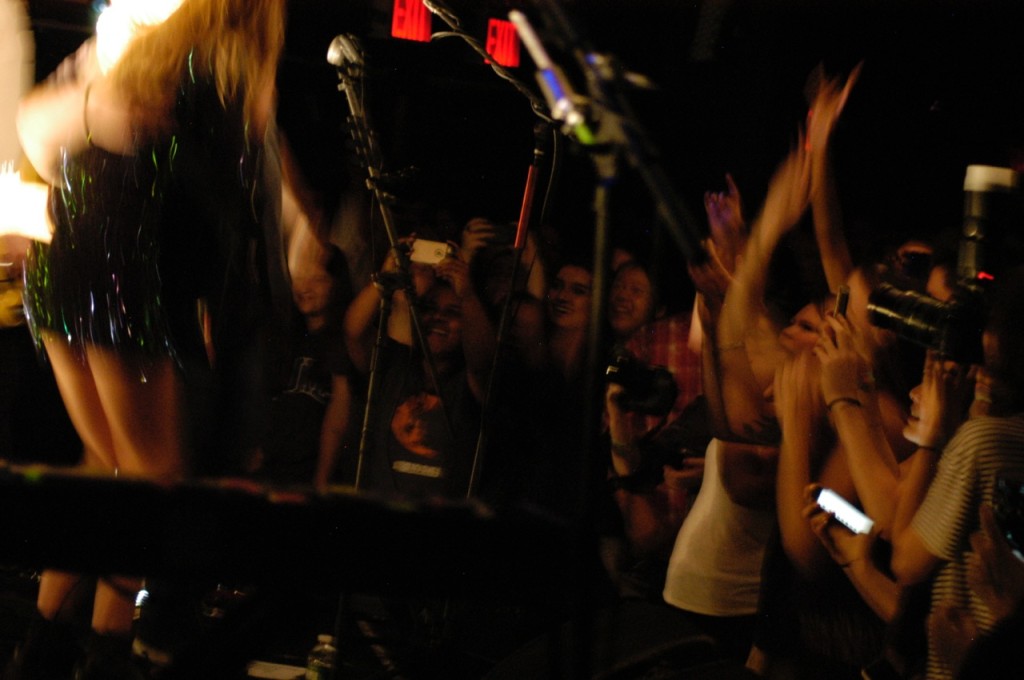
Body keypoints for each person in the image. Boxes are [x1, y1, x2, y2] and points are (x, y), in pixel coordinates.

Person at [11, 0, 318, 675]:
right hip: (123, 280)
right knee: (153, 486)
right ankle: (104, 655)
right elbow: (225, 209)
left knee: (103, 465)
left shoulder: (145, 54)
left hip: (62, 267)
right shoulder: (222, 71)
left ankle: (39, 649)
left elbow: (44, 132)